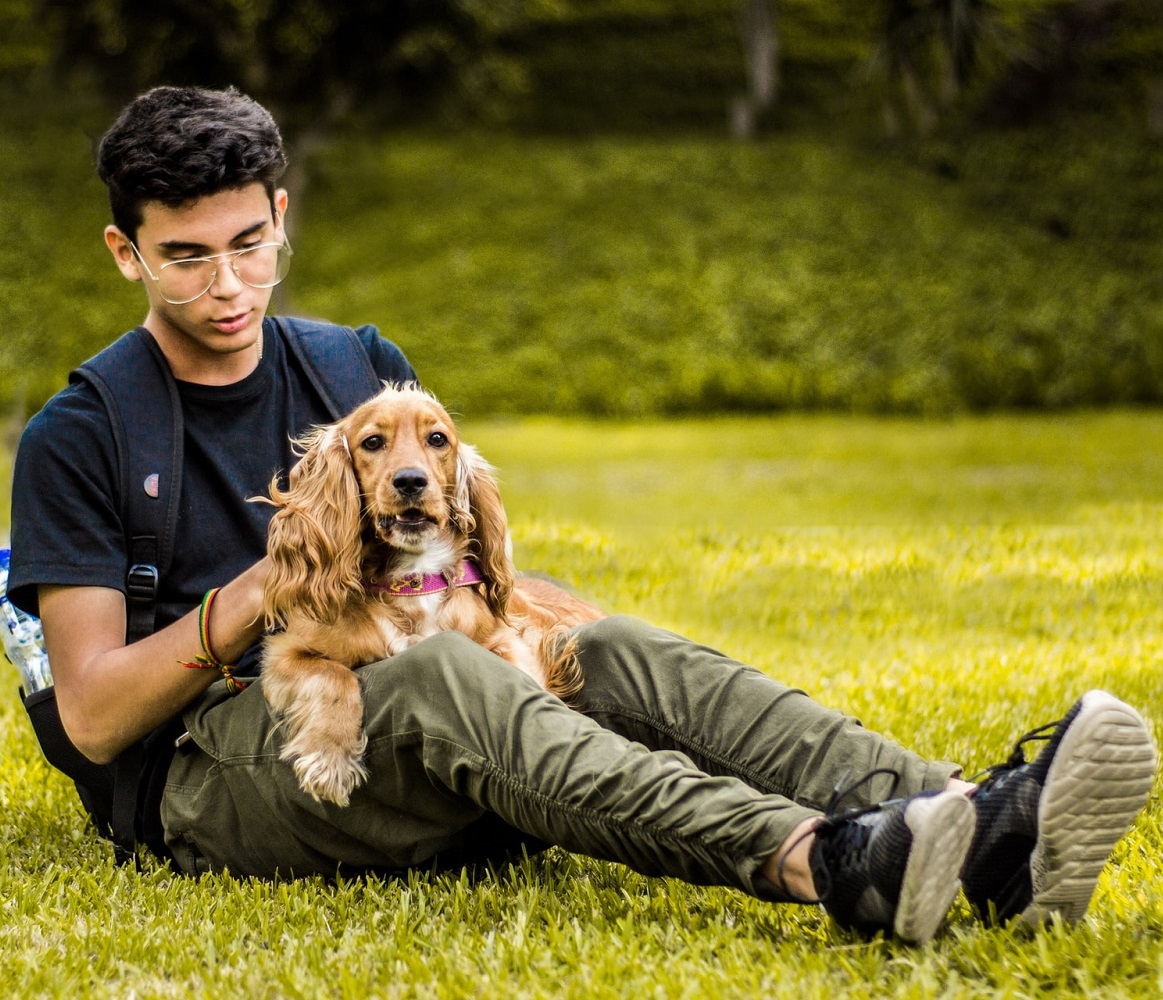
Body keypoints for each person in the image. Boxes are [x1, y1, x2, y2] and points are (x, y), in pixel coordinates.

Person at [9, 85, 1157, 946]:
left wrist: (550, 621)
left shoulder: (352, 367)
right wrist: (269, 585)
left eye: (251, 245)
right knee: (448, 681)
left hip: (414, 704)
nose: (227, 288)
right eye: (186, 259)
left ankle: (967, 816)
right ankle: (826, 861)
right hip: (226, 770)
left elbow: (459, 578)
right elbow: (97, 719)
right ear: (126, 252)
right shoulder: (86, 431)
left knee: (594, 644)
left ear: (281, 215)